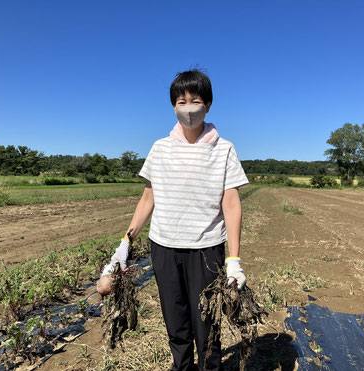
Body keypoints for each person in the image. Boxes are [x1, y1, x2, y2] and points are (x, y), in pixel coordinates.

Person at [98, 69, 248, 371]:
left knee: (207, 327)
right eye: (181, 101)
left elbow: (231, 205)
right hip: (164, 248)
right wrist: (124, 245)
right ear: (173, 106)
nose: (188, 107)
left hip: (206, 250)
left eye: (195, 100)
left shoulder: (224, 149)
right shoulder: (160, 149)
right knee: (177, 327)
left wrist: (233, 260)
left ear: (207, 104)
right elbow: (147, 199)